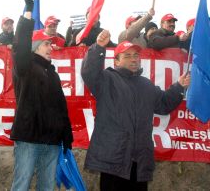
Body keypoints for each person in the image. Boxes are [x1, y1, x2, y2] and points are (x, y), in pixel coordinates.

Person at [81, 32, 191, 190]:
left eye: (136, 55)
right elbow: (89, 72)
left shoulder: (146, 84)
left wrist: (179, 86)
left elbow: (164, 104)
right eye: (127, 56)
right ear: (117, 60)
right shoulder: (106, 79)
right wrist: (98, 47)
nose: (133, 59)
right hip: (114, 160)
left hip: (140, 161)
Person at [10, 0, 73, 190]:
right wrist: (28, 12)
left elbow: (61, 107)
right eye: (46, 44)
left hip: (52, 140)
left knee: (46, 186)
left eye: (51, 44)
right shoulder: (25, 67)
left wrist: (66, 136)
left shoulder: (52, 73)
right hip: (29, 138)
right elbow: (20, 44)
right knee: (22, 184)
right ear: (35, 46)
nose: (50, 47)